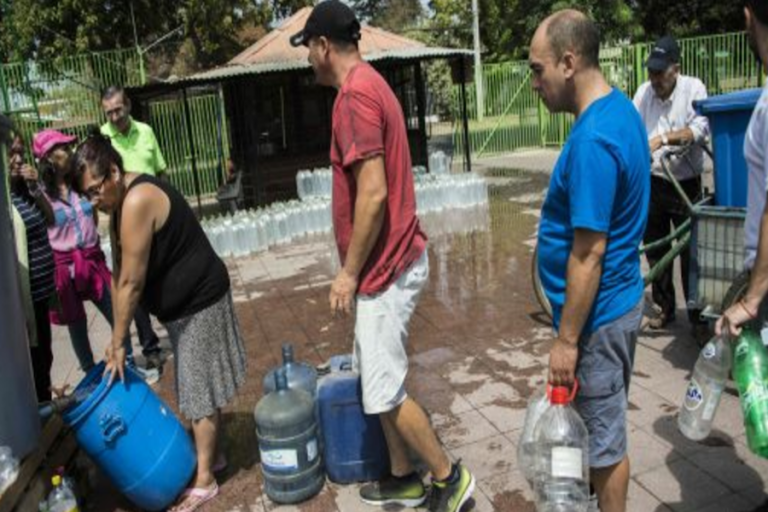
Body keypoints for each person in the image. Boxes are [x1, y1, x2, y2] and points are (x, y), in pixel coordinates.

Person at [290, 2, 474, 511]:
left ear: (324, 46)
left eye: (308, 46)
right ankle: (402, 477)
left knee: (386, 389)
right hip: (388, 265)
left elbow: (372, 194)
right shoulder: (370, 85)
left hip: (384, 270)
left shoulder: (353, 98)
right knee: (378, 381)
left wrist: (347, 273)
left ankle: (448, 477)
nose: (307, 57)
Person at [73, 133, 246, 512]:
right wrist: (117, 335)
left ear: (114, 172)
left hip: (201, 299)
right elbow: (121, 276)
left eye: (93, 190)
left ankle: (206, 477)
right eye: (85, 195)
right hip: (183, 307)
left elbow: (133, 282)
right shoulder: (119, 203)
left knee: (198, 388)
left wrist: (120, 342)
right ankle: (210, 453)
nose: (91, 201)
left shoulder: (136, 199)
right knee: (195, 382)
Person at [531, 10, 650, 512]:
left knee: (603, 448)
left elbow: (588, 251)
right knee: (600, 434)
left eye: (538, 69)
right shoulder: (619, 109)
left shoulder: (594, 141)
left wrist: (566, 341)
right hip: (612, 307)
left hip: (597, 322)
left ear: (568, 61)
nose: (533, 82)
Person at [32, 129, 157, 382]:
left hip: (92, 258)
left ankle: (129, 366)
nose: (68, 152)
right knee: (76, 324)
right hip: (64, 265)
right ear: (47, 157)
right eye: (62, 149)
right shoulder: (41, 194)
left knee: (116, 309)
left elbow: (95, 212)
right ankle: (91, 376)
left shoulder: (81, 183)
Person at [633, 35, 710, 334]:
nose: (654, 79)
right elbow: (631, 122)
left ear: (675, 69)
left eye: (660, 73)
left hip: (685, 183)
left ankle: (697, 319)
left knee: (692, 252)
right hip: (654, 180)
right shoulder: (644, 93)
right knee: (656, 248)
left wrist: (662, 139)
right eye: (651, 72)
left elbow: (700, 129)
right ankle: (665, 309)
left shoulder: (694, 88)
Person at [100, 86, 165, 370]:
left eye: (117, 109)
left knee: (160, 274)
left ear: (127, 105)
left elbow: (161, 171)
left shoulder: (146, 132)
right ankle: (150, 347)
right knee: (130, 281)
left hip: (153, 216)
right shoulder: (103, 138)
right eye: (108, 112)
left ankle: (174, 321)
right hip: (123, 221)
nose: (114, 116)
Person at [8, 131, 57, 402]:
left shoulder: (24, 191)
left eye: (20, 152)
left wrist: (36, 188)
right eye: (11, 153)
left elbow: (51, 219)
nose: (18, 159)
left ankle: (44, 408)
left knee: (45, 356)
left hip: (41, 293)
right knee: (34, 361)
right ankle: (39, 413)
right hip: (23, 301)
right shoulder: (6, 201)